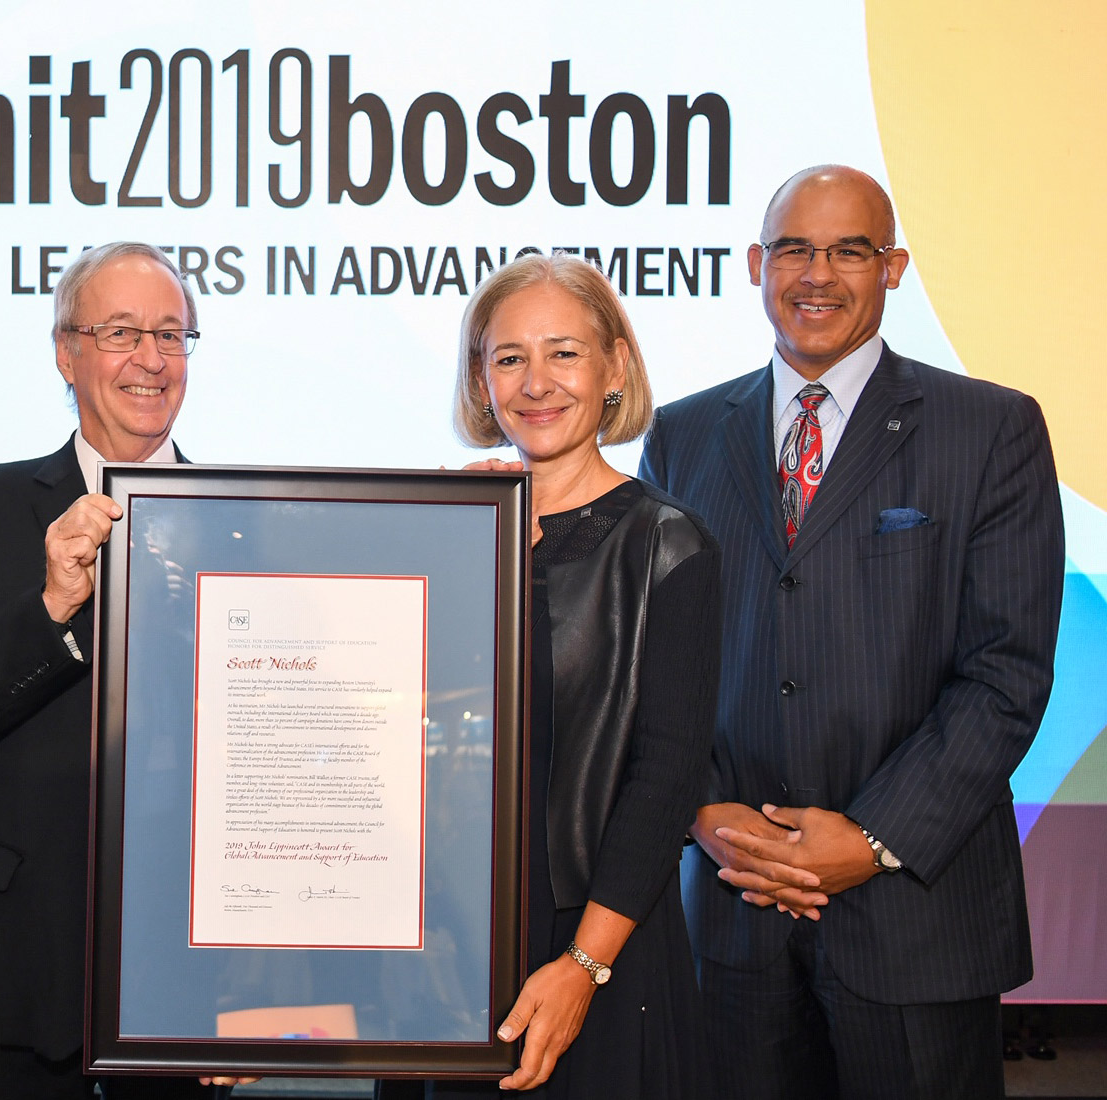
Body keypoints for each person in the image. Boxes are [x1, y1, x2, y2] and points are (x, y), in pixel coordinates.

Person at [639, 164, 1065, 1099]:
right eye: (794, 248)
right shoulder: (682, 435)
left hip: (916, 916)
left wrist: (870, 840)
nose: (818, 274)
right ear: (756, 264)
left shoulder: (991, 429)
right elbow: (654, 660)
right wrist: (701, 810)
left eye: (850, 251)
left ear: (894, 267)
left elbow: (1006, 673)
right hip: (734, 910)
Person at [0, 242, 239, 1099]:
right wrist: (50, 607)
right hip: (12, 964)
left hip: (182, 976)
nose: (150, 359)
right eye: (120, 332)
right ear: (65, 352)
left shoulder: (244, 522)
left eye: (171, 334)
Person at [393, 253, 719, 1098]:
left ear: (615, 366)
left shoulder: (669, 544)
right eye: (509, 358)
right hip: (448, 948)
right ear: (481, 379)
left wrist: (583, 965)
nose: (536, 383)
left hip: (600, 949)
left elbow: (666, 778)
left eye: (564, 353)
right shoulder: (436, 530)